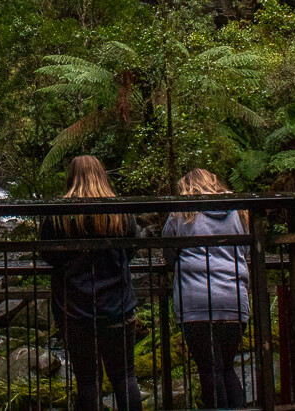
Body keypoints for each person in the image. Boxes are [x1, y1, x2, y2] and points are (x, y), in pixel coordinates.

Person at [39, 155, 143, 411]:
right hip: (118, 307)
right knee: (124, 375)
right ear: (102, 174)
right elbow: (131, 250)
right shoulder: (119, 213)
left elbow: (48, 254)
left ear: (71, 177)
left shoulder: (59, 215)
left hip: (75, 310)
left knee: (87, 381)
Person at [162, 168, 250, 409]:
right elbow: (246, 251)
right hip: (234, 299)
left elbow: (168, 251)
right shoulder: (238, 212)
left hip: (196, 302)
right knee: (226, 367)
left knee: (209, 370)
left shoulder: (182, 212)